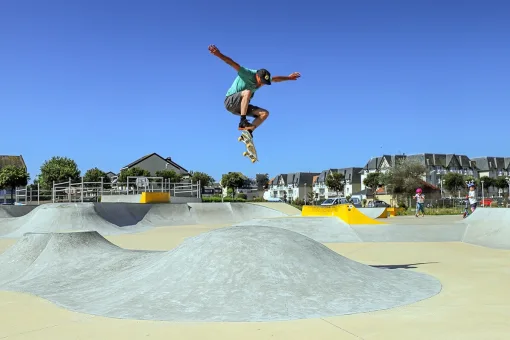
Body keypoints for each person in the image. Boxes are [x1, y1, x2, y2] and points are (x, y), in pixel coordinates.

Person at [208, 44, 301, 136]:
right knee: (247, 92)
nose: (262, 84)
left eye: (264, 82)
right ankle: (243, 122)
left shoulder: (263, 80)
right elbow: (232, 63)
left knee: (264, 113)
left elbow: (276, 79)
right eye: (261, 81)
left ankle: (248, 132)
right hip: (230, 101)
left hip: (240, 107)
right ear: (257, 75)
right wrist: (218, 54)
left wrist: (289, 78)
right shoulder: (247, 73)